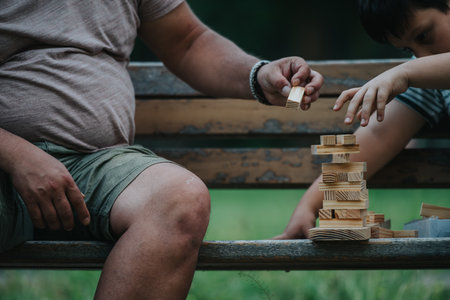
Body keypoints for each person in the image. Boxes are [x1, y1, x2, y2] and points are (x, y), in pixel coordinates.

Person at [0, 0, 323, 299]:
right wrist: (15, 153)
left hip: (98, 163)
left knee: (180, 198)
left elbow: (187, 41)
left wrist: (258, 74)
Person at [275, 0, 450, 239]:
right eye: (408, 50)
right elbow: (377, 137)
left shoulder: (413, 73)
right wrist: (309, 205)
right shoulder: (427, 82)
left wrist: (404, 72)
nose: (420, 57)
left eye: (424, 35)